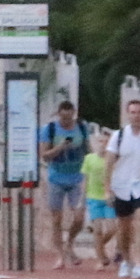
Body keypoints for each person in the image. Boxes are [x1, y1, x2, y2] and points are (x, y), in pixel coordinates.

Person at [107, 96, 140, 279]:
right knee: (124, 226)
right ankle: (125, 260)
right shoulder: (119, 136)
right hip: (121, 186)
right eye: (133, 113)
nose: (137, 116)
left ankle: (139, 263)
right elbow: (108, 164)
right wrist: (107, 189)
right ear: (128, 115)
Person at [37, 100, 88, 267]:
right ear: (58, 114)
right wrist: (59, 147)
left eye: (69, 117)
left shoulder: (81, 128)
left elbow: (88, 150)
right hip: (55, 179)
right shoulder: (50, 130)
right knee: (56, 219)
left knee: (79, 217)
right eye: (63, 118)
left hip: (76, 178)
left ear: (74, 113)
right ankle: (60, 255)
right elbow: (44, 155)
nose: (66, 121)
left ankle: (70, 243)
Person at [81, 127, 117, 269]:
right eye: (102, 141)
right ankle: (101, 258)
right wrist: (82, 199)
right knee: (97, 229)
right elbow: (85, 179)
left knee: (112, 228)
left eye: (108, 142)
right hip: (93, 197)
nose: (104, 145)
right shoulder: (89, 159)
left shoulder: (113, 160)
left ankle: (99, 247)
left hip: (108, 198)